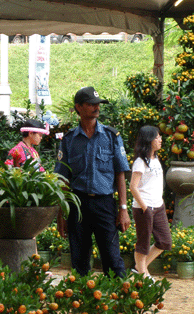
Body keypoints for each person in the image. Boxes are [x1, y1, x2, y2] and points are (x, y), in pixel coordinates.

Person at [55, 86, 131, 277]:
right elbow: (63, 179)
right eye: (91, 104)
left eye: (98, 104)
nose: (96, 108)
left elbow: (120, 174)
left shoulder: (111, 137)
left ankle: (119, 301)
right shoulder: (69, 140)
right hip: (77, 205)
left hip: (104, 204)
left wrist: (123, 209)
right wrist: (62, 214)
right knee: (79, 260)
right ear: (78, 107)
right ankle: (81, 301)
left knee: (113, 259)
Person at [129, 125, 172, 277]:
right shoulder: (140, 162)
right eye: (157, 137)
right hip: (144, 207)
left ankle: (139, 268)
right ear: (148, 140)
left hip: (158, 206)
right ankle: (142, 274)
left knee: (164, 241)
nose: (160, 139)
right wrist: (145, 207)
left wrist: (158, 204)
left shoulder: (155, 159)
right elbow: (133, 187)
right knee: (143, 244)